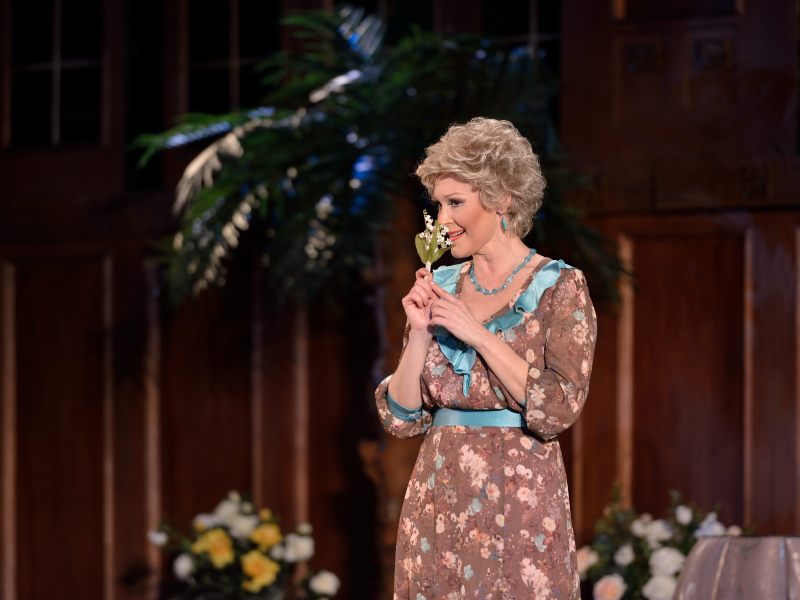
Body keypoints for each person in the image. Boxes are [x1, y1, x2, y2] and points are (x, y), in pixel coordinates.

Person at [374, 117, 598, 599]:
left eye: (456, 202)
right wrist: (419, 335)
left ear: (502, 199)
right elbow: (401, 418)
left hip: (520, 500)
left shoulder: (559, 287)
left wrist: (475, 333)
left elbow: (557, 408)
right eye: (438, 204)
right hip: (438, 498)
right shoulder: (441, 285)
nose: (442, 220)